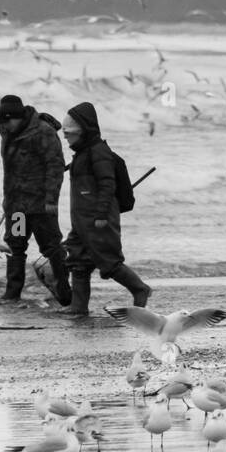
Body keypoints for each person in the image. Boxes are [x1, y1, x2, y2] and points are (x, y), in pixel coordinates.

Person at [61, 101, 151, 315]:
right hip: (82, 220)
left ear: (84, 130)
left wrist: (101, 214)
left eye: (69, 134)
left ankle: (140, 289)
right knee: (78, 260)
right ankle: (78, 306)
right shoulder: (82, 153)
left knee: (108, 260)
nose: (66, 138)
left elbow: (107, 184)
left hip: (97, 218)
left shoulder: (98, 152)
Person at [0, 94, 71, 305]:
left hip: (40, 206)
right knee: (15, 245)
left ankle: (65, 292)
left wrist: (51, 201)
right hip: (17, 208)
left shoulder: (43, 133)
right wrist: (8, 202)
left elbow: (55, 168)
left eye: (8, 121)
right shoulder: (7, 131)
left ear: (18, 117)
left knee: (51, 247)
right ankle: (12, 293)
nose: (5, 126)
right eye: (2, 121)